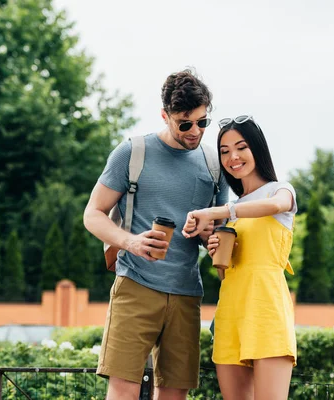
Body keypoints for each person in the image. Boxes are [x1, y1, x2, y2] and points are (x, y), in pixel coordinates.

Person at [83, 69, 228, 400]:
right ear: (165, 115)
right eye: (185, 123)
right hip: (135, 286)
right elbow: (92, 213)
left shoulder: (213, 164)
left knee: (175, 393)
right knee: (123, 390)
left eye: (202, 122)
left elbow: (217, 231)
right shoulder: (133, 154)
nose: (195, 132)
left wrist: (207, 234)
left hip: (187, 293)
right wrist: (131, 242)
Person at [182, 115, 297, 400]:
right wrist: (212, 245)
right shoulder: (232, 210)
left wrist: (219, 211)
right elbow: (226, 272)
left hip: (266, 309)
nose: (233, 156)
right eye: (224, 151)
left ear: (256, 148)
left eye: (241, 147)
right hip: (231, 310)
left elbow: (275, 205)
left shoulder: (280, 190)